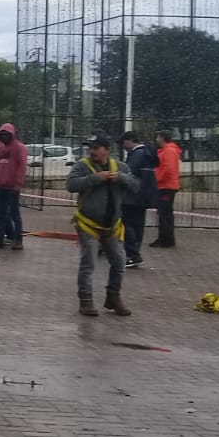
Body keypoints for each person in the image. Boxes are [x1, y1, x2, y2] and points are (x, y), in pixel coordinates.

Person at [67, 135, 138, 317]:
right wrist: (94, 178)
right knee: (88, 264)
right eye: (90, 147)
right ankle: (86, 301)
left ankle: (113, 297)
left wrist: (121, 178)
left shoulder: (120, 166)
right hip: (88, 224)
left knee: (119, 262)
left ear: (106, 149)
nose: (92, 151)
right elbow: (71, 184)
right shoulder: (82, 166)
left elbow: (135, 185)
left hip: (112, 225)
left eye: (96, 148)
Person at [119, 131, 158, 269]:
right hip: (143, 196)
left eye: (124, 142)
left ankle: (133, 253)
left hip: (132, 196)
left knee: (127, 223)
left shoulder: (137, 155)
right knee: (138, 225)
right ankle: (135, 252)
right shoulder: (147, 153)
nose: (123, 146)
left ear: (130, 140)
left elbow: (130, 174)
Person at [151, 129, 181, 249]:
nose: (156, 139)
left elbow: (167, 169)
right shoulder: (169, 150)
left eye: (158, 137)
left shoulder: (168, 151)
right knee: (166, 213)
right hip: (168, 185)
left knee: (164, 214)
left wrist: (156, 179)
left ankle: (165, 239)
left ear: (162, 138)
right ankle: (167, 238)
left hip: (166, 186)